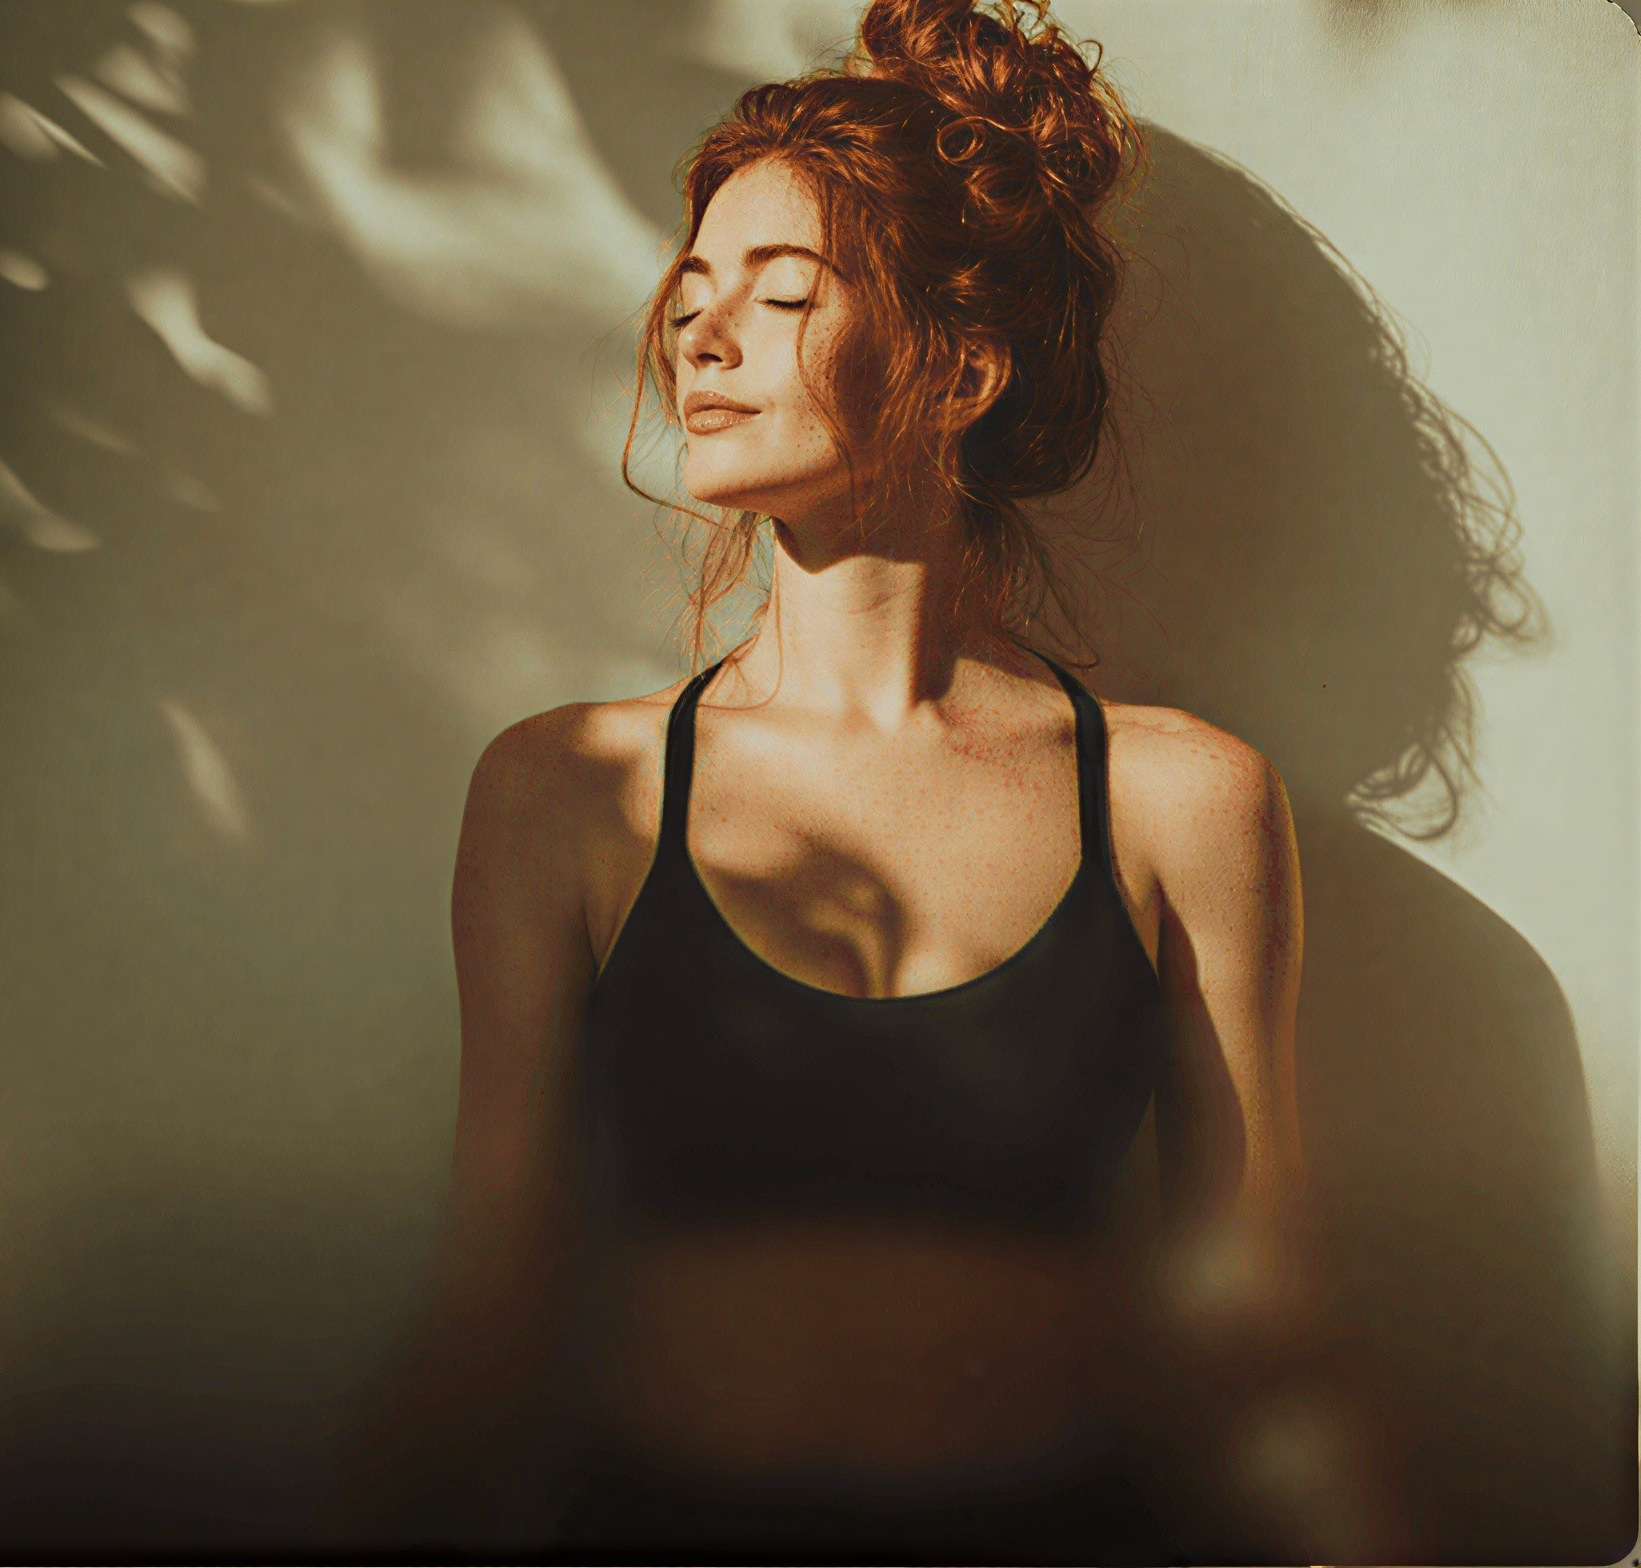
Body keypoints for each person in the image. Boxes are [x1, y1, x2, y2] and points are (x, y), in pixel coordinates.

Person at [334, 1, 1396, 1559]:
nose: (701, 335)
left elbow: (1255, 1329)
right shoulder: (568, 791)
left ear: (959, 371)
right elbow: (493, 1305)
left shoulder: (1184, 805)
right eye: (694, 290)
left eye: (780, 294)